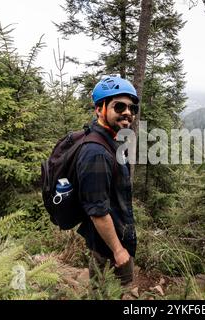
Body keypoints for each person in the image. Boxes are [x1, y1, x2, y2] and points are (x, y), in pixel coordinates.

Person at [76, 76, 139, 288]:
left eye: (131, 107)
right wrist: (118, 250)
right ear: (99, 109)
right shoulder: (96, 152)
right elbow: (97, 210)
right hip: (108, 248)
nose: (128, 112)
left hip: (111, 242)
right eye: (119, 106)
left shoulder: (110, 141)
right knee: (108, 291)